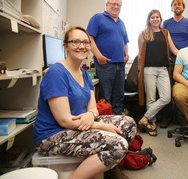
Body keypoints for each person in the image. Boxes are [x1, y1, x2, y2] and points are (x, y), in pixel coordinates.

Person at [34, 26, 137, 179]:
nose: (81, 46)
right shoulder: (56, 73)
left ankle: (107, 168)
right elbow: (64, 120)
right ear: (66, 46)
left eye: (85, 42)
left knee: (128, 125)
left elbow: (93, 108)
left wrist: (90, 115)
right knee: (118, 144)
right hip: (53, 134)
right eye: (75, 42)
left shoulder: (84, 73)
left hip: (79, 124)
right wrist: (100, 125)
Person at [87, 0, 129, 115]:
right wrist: (99, 56)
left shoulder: (121, 23)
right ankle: (106, 123)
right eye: (113, 4)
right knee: (106, 96)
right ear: (107, 5)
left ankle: (117, 121)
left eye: (118, 5)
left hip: (120, 65)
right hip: (105, 64)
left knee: (119, 95)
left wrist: (127, 55)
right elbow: (89, 38)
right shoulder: (98, 18)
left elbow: (125, 41)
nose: (116, 6)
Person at [138, 9, 178, 136]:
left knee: (166, 97)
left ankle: (144, 118)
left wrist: (186, 56)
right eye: (152, 17)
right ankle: (152, 124)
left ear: (161, 19)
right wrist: (140, 71)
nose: (155, 19)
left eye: (157, 17)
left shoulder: (165, 33)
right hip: (148, 69)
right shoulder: (144, 33)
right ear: (149, 19)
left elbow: (174, 49)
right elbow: (140, 54)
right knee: (150, 98)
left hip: (163, 69)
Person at [160, 0, 188, 128]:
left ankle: (181, 117)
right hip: (169, 59)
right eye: (175, 4)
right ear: (172, 8)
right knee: (167, 89)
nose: (177, 6)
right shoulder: (166, 23)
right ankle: (167, 117)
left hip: (185, 60)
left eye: (179, 4)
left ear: (183, 7)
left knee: (182, 89)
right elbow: (163, 40)